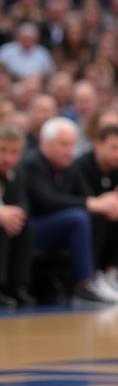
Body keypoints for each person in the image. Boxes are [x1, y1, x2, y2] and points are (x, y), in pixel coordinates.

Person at [22, 117, 118, 303]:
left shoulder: (69, 165)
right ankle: (83, 284)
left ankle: (100, 276)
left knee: (95, 216)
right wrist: (94, 203)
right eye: (63, 145)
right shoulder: (32, 163)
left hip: (58, 226)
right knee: (78, 217)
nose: (69, 151)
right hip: (30, 228)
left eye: (72, 145)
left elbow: (88, 196)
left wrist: (109, 203)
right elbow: (48, 201)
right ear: (45, 143)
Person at [69, 124, 118, 302]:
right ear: (98, 145)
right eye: (114, 148)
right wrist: (103, 204)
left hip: (115, 223)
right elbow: (84, 200)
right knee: (92, 217)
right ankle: (92, 279)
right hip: (91, 224)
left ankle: (112, 276)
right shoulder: (81, 165)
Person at [0, 124, 33, 308]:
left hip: (8, 223)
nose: (7, 158)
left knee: (22, 223)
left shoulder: (18, 172)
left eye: (14, 152)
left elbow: (23, 202)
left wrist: (16, 213)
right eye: (2, 150)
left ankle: (19, 286)